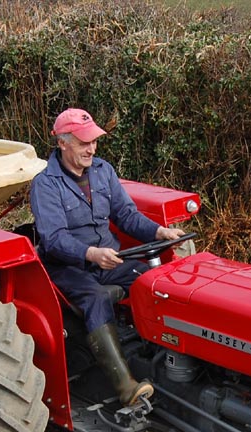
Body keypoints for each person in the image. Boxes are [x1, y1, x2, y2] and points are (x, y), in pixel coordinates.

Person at [30, 108, 185, 406]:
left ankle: (160, 359)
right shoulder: (45, 184)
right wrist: (90, 254)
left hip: (108, 260)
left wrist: (159, 232)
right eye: (84, 142)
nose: (92, 148)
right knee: (97, 298)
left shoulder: (103, 170)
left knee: (152, 281)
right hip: (66, 267)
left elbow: (126, 215)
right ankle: (125, 385)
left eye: (94, 141)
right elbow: (54, 238)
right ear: (63, 143)